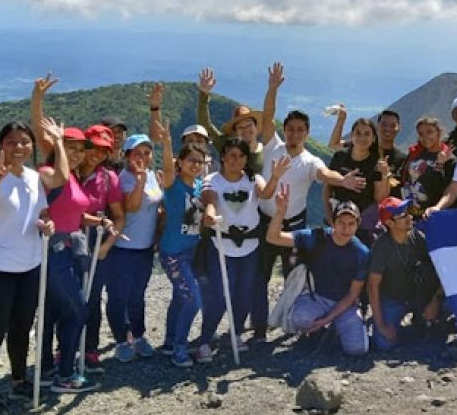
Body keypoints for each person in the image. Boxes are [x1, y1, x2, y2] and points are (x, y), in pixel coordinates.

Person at [250, 62, 366, 342]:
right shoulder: (272, 146)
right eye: (290, 129)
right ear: (285, 130)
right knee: (259, 278)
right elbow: (267, 115)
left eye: (300, 130)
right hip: (265, 222)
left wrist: (343, 181)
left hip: (295, 227)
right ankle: (259, 329)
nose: (294, 133)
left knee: (298, 278)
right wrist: (273, 89)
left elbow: (326, 173)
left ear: (307, 132)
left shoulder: (310, 161)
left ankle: (295, 322)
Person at [0, 121, 55, 413]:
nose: (18, 147)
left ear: (31, 147)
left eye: (24, 142)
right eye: (11, 142)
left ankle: (19, 379)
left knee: (22, 327)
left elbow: (40, 210)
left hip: (29, 263)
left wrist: (47, 221)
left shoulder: (34, 177)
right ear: (0, 146)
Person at [199, 138, 289, 358]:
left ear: (246, 159)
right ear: (222, 157)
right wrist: (209, 214)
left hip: (250, 245)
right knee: (220, 295)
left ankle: (236, 333)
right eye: (231, 155)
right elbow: (209, 200)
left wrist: (276, 177)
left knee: (244, 294)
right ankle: (205, 340)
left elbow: (265, 193)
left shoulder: (252, 179)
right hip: (221, 244)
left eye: (240, 156)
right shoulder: (213, 180)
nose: (235, 160)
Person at [266, 185, 370, 356]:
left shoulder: (361, 253)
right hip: (318, 298)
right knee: (298, 318)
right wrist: (280, 212)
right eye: (341, 223)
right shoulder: (317, 237)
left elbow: (353, 294)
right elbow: (273, 237)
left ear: (357, 225)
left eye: (351, 223)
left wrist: (326, 320)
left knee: (357, 349)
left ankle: (333, 327)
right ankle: (320, 331)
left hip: (345, 303)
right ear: (332, 222)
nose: (346, 228)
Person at [36, 124, 101, 393]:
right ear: (58, 147)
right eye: (70, 147)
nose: (76, 153)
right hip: (54, 250)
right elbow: (56, 190)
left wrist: (99, 220)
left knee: (55, 311)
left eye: (79, 149)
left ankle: (48, 369)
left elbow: (72, 212)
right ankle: (65, 375)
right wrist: (58, 142)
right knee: (78, 309)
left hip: (67, 248)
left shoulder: (71, 176)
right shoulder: (48, 172)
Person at [154, 120, 207, 367]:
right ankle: (180, 349)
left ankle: (169, 341)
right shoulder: (173, 185)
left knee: (179, 297)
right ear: (180, 163)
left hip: (191, 251)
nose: (196, 165)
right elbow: (166, 166)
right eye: (191, 161)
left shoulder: (198, 186)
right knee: (192, 300)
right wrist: (166, 143)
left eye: (200, 161)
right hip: (173, 253)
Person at [107, 133, 163, 363]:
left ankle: (138, 336)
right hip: (123, 247)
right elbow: (131, 206)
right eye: (137, 153)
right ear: (127, 155)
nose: (142, 157)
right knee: (118, 296)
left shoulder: (150, 175)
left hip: (145, 247)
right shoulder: (125, 178)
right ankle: (121, 341)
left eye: (146, 153)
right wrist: (139, 181)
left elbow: (156, 206)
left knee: (138, 295)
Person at [77, 124, 126, 373]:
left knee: (92, 298)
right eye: (93, 147)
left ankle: (90, 349)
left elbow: (118, 216)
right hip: (66, 243)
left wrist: (107, 245)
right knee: (67, 299)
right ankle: (66, 348)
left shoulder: (108, 178)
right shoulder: (69, 172)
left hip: (95, 244)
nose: (97, 153)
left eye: (103, 150)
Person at [368, 197, 442, 351]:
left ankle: (426, 318)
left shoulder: (419, 238)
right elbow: (372, 286)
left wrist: (435, 300)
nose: (409, 217)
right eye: (402, 216)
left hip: (421, 294)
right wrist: (381, 326)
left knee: (447, 306)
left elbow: (442, 269)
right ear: (389, 223)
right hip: (394, 298)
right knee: (383, 343)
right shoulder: (381, 247)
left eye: (408, 213)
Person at [323, 118, 391, 244]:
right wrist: (329, 216)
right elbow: (327, 187)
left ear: (374, 138)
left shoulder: (376, 163)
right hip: (336, 220)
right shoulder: (340, 157)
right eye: (358, 133)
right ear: (352, 135)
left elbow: (380, 198)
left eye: (367, 134)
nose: (362, 137)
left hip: (364, 226)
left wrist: (385, 175)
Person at [195, 67, 265, 173]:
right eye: (240, 127)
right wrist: (204, 95)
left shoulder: (266, 150)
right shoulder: (227, 146)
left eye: (249, 125)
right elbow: (205, 126)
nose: (245, 130)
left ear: (256, 126)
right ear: (235, 132)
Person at [329, 109, 406, 198]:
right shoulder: (363, 145)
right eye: (384, 124)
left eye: (393, 125)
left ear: (399, 128)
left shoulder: (403, 158)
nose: (388, 129)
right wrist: (341, 120)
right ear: (377, 126)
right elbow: (334, 144)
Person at [147, 82, 215, 174]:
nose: (194, 144)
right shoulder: (175, 166)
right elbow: (155, 137)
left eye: (199, 141)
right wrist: (155, 108)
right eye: (190, 141)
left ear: (206, 145)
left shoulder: (213, 167)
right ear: (183, 144)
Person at [400, 117, 457, 220]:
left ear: (438, 132)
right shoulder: (416, 154)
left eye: (429, 132)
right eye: (421, 134)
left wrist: (439, 165)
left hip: (432, 215)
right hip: (412, 214)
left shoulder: (449, 158)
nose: (425, 137)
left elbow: (443, 190)